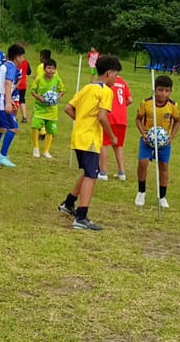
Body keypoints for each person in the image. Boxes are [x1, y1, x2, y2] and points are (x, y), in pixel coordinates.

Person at [57, 54, 121, 232]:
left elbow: (68, 108)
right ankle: (81, 217)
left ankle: (69, 203)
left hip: (79, 136)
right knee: (92, 176)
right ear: (109, 73)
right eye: (116, 75)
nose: (116, 79)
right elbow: (102, 116)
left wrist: (81, 122)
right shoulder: (106, 91)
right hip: (90, 139)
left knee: (89, 171)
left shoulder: (87, 87)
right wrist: (112, 136)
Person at [134, 75, 180, 208]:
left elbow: (177, 121)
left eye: (167, 90)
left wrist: (171, 136)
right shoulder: (146, 103)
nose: (163, 93)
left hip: (164, 142)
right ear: (154, 90)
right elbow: (138, 119)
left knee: (164, 167)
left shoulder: (173, 106)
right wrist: (143, 133)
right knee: (143, 163)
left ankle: (162, 196)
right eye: (160, 90)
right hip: (147, 140)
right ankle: (141, 192)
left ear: (170, 91)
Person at [0, 43, 25, 167]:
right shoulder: (12, 67)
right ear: (17, 57)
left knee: (0, 128)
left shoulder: (4, 65)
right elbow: (8, 83)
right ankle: (2, 156)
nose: (23, 59)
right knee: (13, 127)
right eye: (22, 57)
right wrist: (8, 102)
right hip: (0, 100)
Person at [99, 72, 132, 180]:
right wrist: (121, 107)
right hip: (122, 118)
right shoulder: (123, 82)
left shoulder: (107, 82)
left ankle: (103, 172)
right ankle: (122, 172)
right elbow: (130, 100)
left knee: (103, 143)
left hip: (109, 116)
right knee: (118, 145)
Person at [30, 58, 64, 159]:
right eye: (49, 68)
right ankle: (36, 148)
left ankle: (46, 151)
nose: (51, 70)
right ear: (44, 69)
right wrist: (39, 98)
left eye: (53, 68)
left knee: (51, 131)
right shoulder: (39, 79)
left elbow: (62, 90)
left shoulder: (57, 80)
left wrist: (58, 97)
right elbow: (32, 91)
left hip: (52, 111)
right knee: (35, 126)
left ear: (56, 70)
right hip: (40, 108)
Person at [15, 52, 31, 122]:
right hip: (23, 83)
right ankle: (24, 117)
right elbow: (29, 72)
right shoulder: (26, 62)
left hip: (16, 83)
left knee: (15, 100)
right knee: (22, 100)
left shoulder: (15, 62)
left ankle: (14, 116)